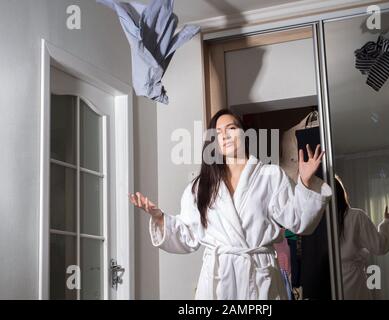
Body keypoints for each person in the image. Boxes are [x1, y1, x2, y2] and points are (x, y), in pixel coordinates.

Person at [129, 109, 332, 299]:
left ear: (245, 134)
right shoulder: (200, 186)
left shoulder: (270, 176)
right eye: (218, 133)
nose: (224, 136)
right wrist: (160, 218)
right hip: (218, 281)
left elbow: (299, 221)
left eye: (231, 129)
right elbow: (188, 235)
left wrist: (304, 182)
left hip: (259, 275)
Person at [334, 175, 389, 300]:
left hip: (327, 281)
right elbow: (379, 246)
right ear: (341, 192)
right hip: (352, 281)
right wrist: (388, 222)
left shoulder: (318, 221)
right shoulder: (356, 216)